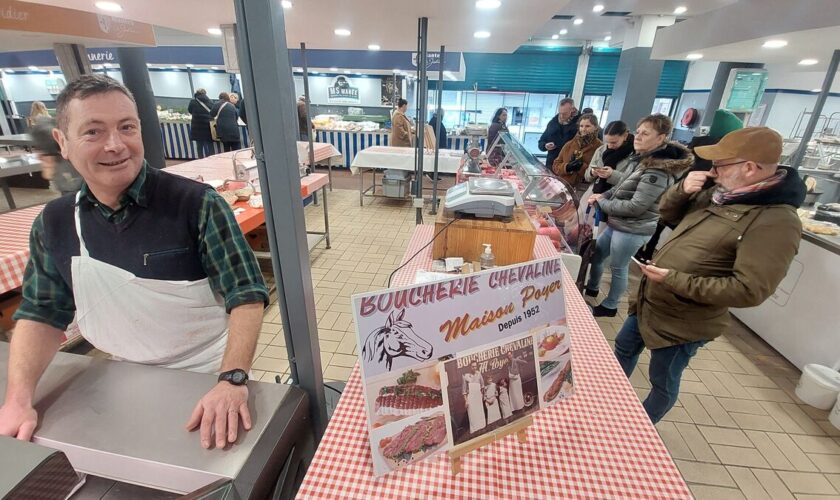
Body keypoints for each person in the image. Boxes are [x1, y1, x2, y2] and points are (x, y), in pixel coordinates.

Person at [0, 75, 269, 450]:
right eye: (93, 131)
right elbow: (42, 313)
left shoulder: (197, 204)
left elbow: (247, 295)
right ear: (62, 143)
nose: (115, 145)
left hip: (207, 375)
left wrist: (233, 378)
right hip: (118, 375)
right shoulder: (55, 222)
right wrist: (17, 399)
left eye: (126, 127)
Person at [617, 127, 805, 424]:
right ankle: (608, 404)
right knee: (622, 349)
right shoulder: (720, 194)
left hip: (684, 322)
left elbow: (749, 290)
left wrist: (672, 279)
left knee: (662, 380)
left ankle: (638, 431)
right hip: (650, 301)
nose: (712, 171)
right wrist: (681, 191)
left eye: (720, 164)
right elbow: (669, 216)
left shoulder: (777, 221)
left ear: (749, 168)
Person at [585, 114, 693, 317]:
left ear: (661, 138)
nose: (638, 136)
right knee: (598, 254)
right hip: (618, 223)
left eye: (646, 133)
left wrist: (603, 202)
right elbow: (620, 186)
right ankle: (592, 287)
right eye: (639, 131)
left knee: (618, 267)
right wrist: (602, 194)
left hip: (633, 228)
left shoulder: (657, 171)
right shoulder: (640, 159)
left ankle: (611, 305)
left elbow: (636, 207)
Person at [636, 109, 743, 261]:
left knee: (659, 228)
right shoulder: (718, 156)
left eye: (644, 133)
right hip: (692, 206)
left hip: (675, 196)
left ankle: (645, 253)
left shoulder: (696, 147)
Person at [28, 114, 83, 196]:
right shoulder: (52, 128)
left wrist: (48, 156)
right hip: (71, 172)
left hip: (70, 178)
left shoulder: (44, 132)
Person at [552, 113, 602, 196]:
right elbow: (556, 165)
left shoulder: (599, 147)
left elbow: (598, 172)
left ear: (596, 127)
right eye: (581, 126)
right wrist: (567, 167)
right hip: (564, 187)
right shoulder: (570, 144)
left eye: (587, 126)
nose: (583, 129)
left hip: (584, 189)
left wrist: (582, 167)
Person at [538, 98, 580, 170]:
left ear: (572, 110)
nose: (561, 116)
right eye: (560, 113)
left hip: (568, 167)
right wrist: (545, 146)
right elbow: (541, 141)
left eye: (564, 113)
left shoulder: (580, 125)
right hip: (551, 165)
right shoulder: (553, 123)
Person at [187, 89, 215, 159]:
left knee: (199, 145)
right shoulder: (210, 101)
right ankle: (212, 158)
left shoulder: (193, 102)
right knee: (210, 144)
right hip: (207, 125)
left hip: (197, 126)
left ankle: (200, 158)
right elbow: (213, 111)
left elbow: (190, 110)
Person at [462, 362, 486, 434]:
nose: (474, 368)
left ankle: (482, 428)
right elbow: (464, 391)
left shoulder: (479, 374)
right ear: (470, 367)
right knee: (472, 414)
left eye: (475, 366)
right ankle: (475, 431)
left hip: (478, 396)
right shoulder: (466, 376)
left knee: (480, 413)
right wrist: (466, 401)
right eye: (472, 366)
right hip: (471, 397)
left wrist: (482, 394)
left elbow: (482, 385)